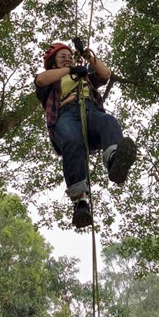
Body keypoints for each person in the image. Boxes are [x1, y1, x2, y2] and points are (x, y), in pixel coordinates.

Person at [35, 40, 136, 228]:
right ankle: (80, 202)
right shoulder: (53, 79)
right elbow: (40, 80)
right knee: (72, 142)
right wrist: (70, 70)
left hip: (91, 112)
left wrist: (87, 55)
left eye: (69, 56)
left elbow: (105, 74)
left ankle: (114, 161)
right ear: (53, 61)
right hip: (66, 115)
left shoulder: (84, 77)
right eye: (62, 56)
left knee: (108, 121)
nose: (67, 58)